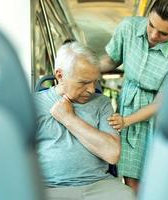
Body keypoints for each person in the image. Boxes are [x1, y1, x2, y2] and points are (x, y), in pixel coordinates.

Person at [99, 0, 168, 193]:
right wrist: (83, 71)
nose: (153, 35)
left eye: (164, 34)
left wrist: (126, 121)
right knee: (131, 178)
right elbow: (112, 60)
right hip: (128, 103)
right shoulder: (128, 27)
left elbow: (161, 101)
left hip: (157, 115)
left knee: (150, 178)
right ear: (148, 14)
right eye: (151, 25)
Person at [35, 41, 135, 200]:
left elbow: (112, 154)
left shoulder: (102, 103)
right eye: (83, 82)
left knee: (126, 195)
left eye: (94, 81)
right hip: (49, 186)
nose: (90, 89)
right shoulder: (34, 104)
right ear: (60, 75)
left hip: (97, 184)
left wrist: (69, 119)